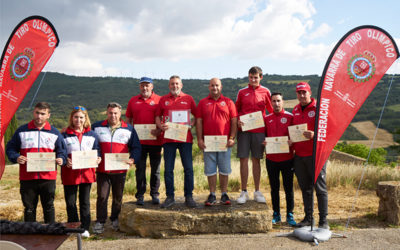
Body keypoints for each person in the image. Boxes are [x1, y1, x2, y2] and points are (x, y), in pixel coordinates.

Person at [6, 102, 67, 224]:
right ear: (33, 112)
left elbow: (62, 151)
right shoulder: (21, 131)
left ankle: (50, 234)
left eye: (43, 114)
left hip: (48, 177)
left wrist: (61, 159)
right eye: (37, 113)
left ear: (48, 115)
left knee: (49, 206)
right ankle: (29, 235)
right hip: (27, 177)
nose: (39, 116)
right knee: (29, 208)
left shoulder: (55, 133)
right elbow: (10, 149)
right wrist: (16, 157)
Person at [92, 102, 141, 234]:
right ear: (106, 113)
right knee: (102, 196)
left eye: (115, 113)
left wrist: (133, 159)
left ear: (120, 114)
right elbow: (90, 144)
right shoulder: (96, 127)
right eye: (110, 113)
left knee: (118, 196)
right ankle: (100, 221)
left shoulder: (129, 129)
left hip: (120, 169)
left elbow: (136, 147)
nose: (113, 115)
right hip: (103, 169)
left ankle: (115, 219)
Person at [155, 75, 197, 208]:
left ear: (181, 85)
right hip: (168, 138)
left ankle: (189, 196)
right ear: (169, 86)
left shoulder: (188, 98)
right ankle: (170, 197)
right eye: (172, 84)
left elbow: (196, 116)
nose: (175, 86)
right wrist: (161, 126)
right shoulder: (163, 99)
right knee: (168, 169)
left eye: (177, 84)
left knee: (188, 169)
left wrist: (191, 125)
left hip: (185, 138)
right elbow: (157, 116)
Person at [291, 82, 328, 229]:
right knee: (305, 188)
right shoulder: (295, 109)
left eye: (304, 92)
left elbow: (328, 130)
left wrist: (315, 135)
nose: (301, 95)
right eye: (299, 93)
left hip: (316, 155)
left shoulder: (319, 108)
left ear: (310, 92)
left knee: (320, 188)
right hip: (299, 155)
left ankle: (324, 221)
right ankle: (308, 218)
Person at [196, 78, 238, 205]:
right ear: (209, 87)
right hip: (208, 142)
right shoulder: (203, 103)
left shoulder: (229, 102)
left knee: (224, 168)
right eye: (212, 86)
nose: (215, 88)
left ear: (221, 87)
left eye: (217, 86)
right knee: (210, 169)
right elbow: (198, 122)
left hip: (224, 142)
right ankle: (212, 194)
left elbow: (234, 121)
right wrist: (199, 139)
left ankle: (224, 194)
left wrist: (232, 138)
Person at [61, 106, 101, 238]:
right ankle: (73, 227)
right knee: (71, 202)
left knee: (85, 202)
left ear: (85, 119)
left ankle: (84, 228)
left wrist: (98, 157)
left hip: (86, 173)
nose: (78, 120)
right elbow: (60, 152)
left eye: (81, 117)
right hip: (70, 173)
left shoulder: (92, 134)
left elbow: (97, 150)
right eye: (76, 117)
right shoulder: (64, 134)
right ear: (72, 118)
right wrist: (65, 159)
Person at [235, 66, 273, 204]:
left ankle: (257, 191)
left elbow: (271, 110)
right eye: (251, 77)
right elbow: (236, 109)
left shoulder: (265, 91)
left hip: (259, 131)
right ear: (248, 77)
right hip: (244, 131)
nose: (253, 80)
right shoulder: (242, 92)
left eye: (256, 77)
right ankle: (244, 191)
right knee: (243, 160)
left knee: (256, 160)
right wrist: (239, 120)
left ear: (261, 77)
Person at [126, 77, 162, 205]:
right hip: (138, 143)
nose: (145, 88)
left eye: (147, 85)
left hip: (156, 141)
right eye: (142, 86)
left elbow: (163, 118)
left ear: (152, 86)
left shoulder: (159, 100)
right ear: (139, 87)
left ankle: (154, 194)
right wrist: (129, 137)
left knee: (155, 170)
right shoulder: (133, 100)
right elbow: (128, 121)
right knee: (140, 169)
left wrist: (159, 130)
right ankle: (140, 195)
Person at [263, 93, 296, 226]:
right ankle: (276, 214)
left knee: (289, 188)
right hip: (271, 159)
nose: (276, 104)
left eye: (278, 101)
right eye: (274, 101)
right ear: (270, 103)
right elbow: (263, 136)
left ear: (283, 102)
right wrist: (264, 142)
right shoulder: (266, 118)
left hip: (287, 159)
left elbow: (296, 136)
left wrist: (292, 141)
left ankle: (290, 214)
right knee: (274, 188)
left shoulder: (290, 117)